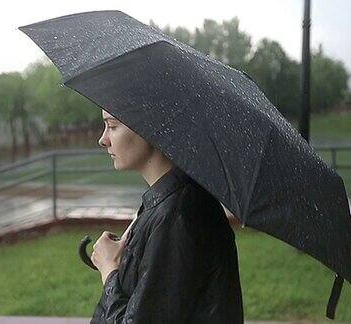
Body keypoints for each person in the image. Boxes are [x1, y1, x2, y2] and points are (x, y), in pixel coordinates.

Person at [90, 109, 244, 323]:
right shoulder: (168, 202)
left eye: (113, 126)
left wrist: (110, 272)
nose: (103, 139)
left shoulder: (179, 214)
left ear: (149, 128)